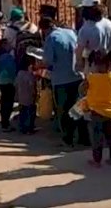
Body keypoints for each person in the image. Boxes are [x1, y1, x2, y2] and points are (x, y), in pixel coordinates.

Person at [40, 17, 90, 147]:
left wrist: (40, 64)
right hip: (78, 76)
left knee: (64, 110)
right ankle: (84, 137)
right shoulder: (70, 32)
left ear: (44, 29)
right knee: (78, 108)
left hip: (61, 80)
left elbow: (48, 61)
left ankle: (68, 137)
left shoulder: (51, 38)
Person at [84, 50, 111, 168]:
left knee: (97, 138)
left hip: (96, 111)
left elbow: (84, 87)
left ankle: (97, 161)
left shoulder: (92, 78)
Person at [76, 0, 111, 73]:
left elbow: (79, 51)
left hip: (95, 71)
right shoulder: (109, 23)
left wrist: (79, 66)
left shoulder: (86, 29)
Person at [0, 39, 17, 132]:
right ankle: (6, 123)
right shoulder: (8, 57)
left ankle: (4, 122)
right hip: (9, 82)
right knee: (8, 103)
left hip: (1, 81)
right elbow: (12, 70)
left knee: (4, 102)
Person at [15, 57, 38, 134]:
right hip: (29, 97)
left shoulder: (19, 73)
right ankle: (29, 128)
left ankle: (22, 127)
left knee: (22, 112)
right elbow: (31, 86)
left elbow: (16, 84)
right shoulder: (29, 75)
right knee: (30, 113)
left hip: (21, 96)